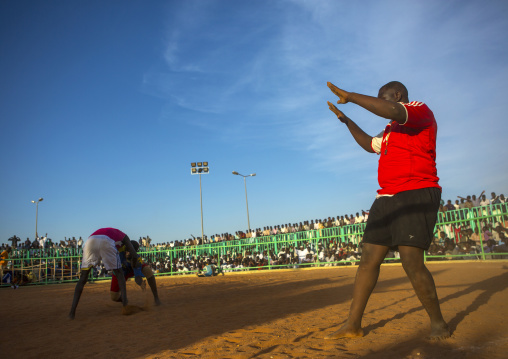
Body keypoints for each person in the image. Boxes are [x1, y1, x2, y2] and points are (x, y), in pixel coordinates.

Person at [324, 81, 450, 339]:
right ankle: (353, 325)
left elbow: (391, 110)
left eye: (383, 98)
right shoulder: (390, 131)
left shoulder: (419, 110)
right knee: (368, 260)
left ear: (398, 95)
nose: (380, 102)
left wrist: (351, 97)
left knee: (410, 261)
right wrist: (346, 121)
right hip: (386, 196)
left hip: (416, 191)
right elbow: (369, 144)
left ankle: (438, 323)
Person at [68, 227, 139, 319]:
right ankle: (125, 304)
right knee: (119, 273)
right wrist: (135, 261)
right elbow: (134, 254)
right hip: (106, 241)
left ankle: (72, 312)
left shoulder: (115, 233)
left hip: (90, 241)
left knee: (83, 278)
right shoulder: (125, 238)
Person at [111, 240, 161, 306]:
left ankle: (156, 297)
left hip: (131, 270)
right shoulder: (118, 252)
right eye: (127, 250)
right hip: (119, 272)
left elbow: (137, 277)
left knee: (147, 270)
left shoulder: (137, 259)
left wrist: (140, 282)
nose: (128, 253)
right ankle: (123, 299)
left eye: (130, 251)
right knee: (114, 297)